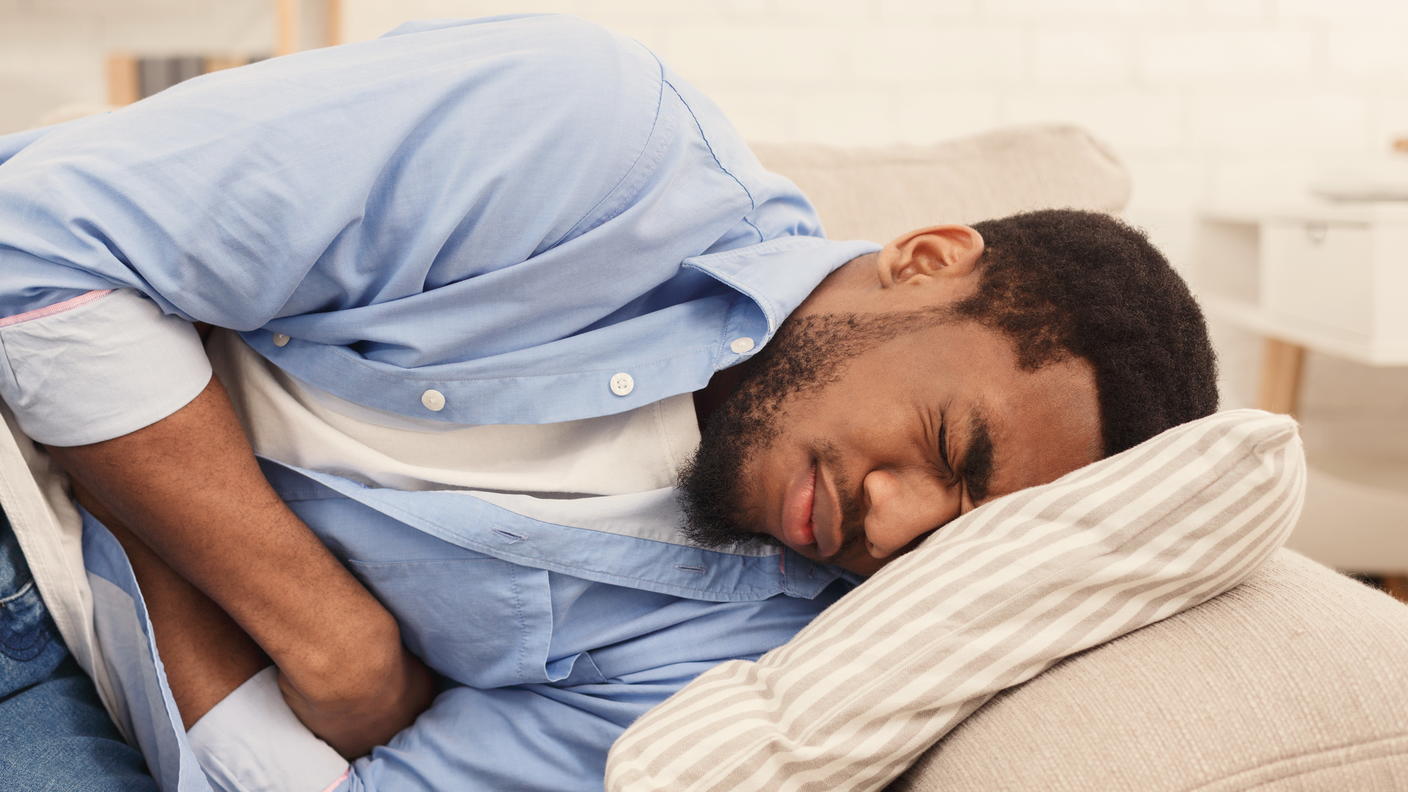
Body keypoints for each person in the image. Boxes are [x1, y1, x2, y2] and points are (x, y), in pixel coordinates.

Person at [0, 13, 1217, 792]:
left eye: (952, 535)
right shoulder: (590, 139)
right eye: (950, 447)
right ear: (927, 260)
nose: (892, 528)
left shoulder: (746, 646)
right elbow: (31, 244)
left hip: (87, 687)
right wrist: (331, 636)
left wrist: (137, 497)